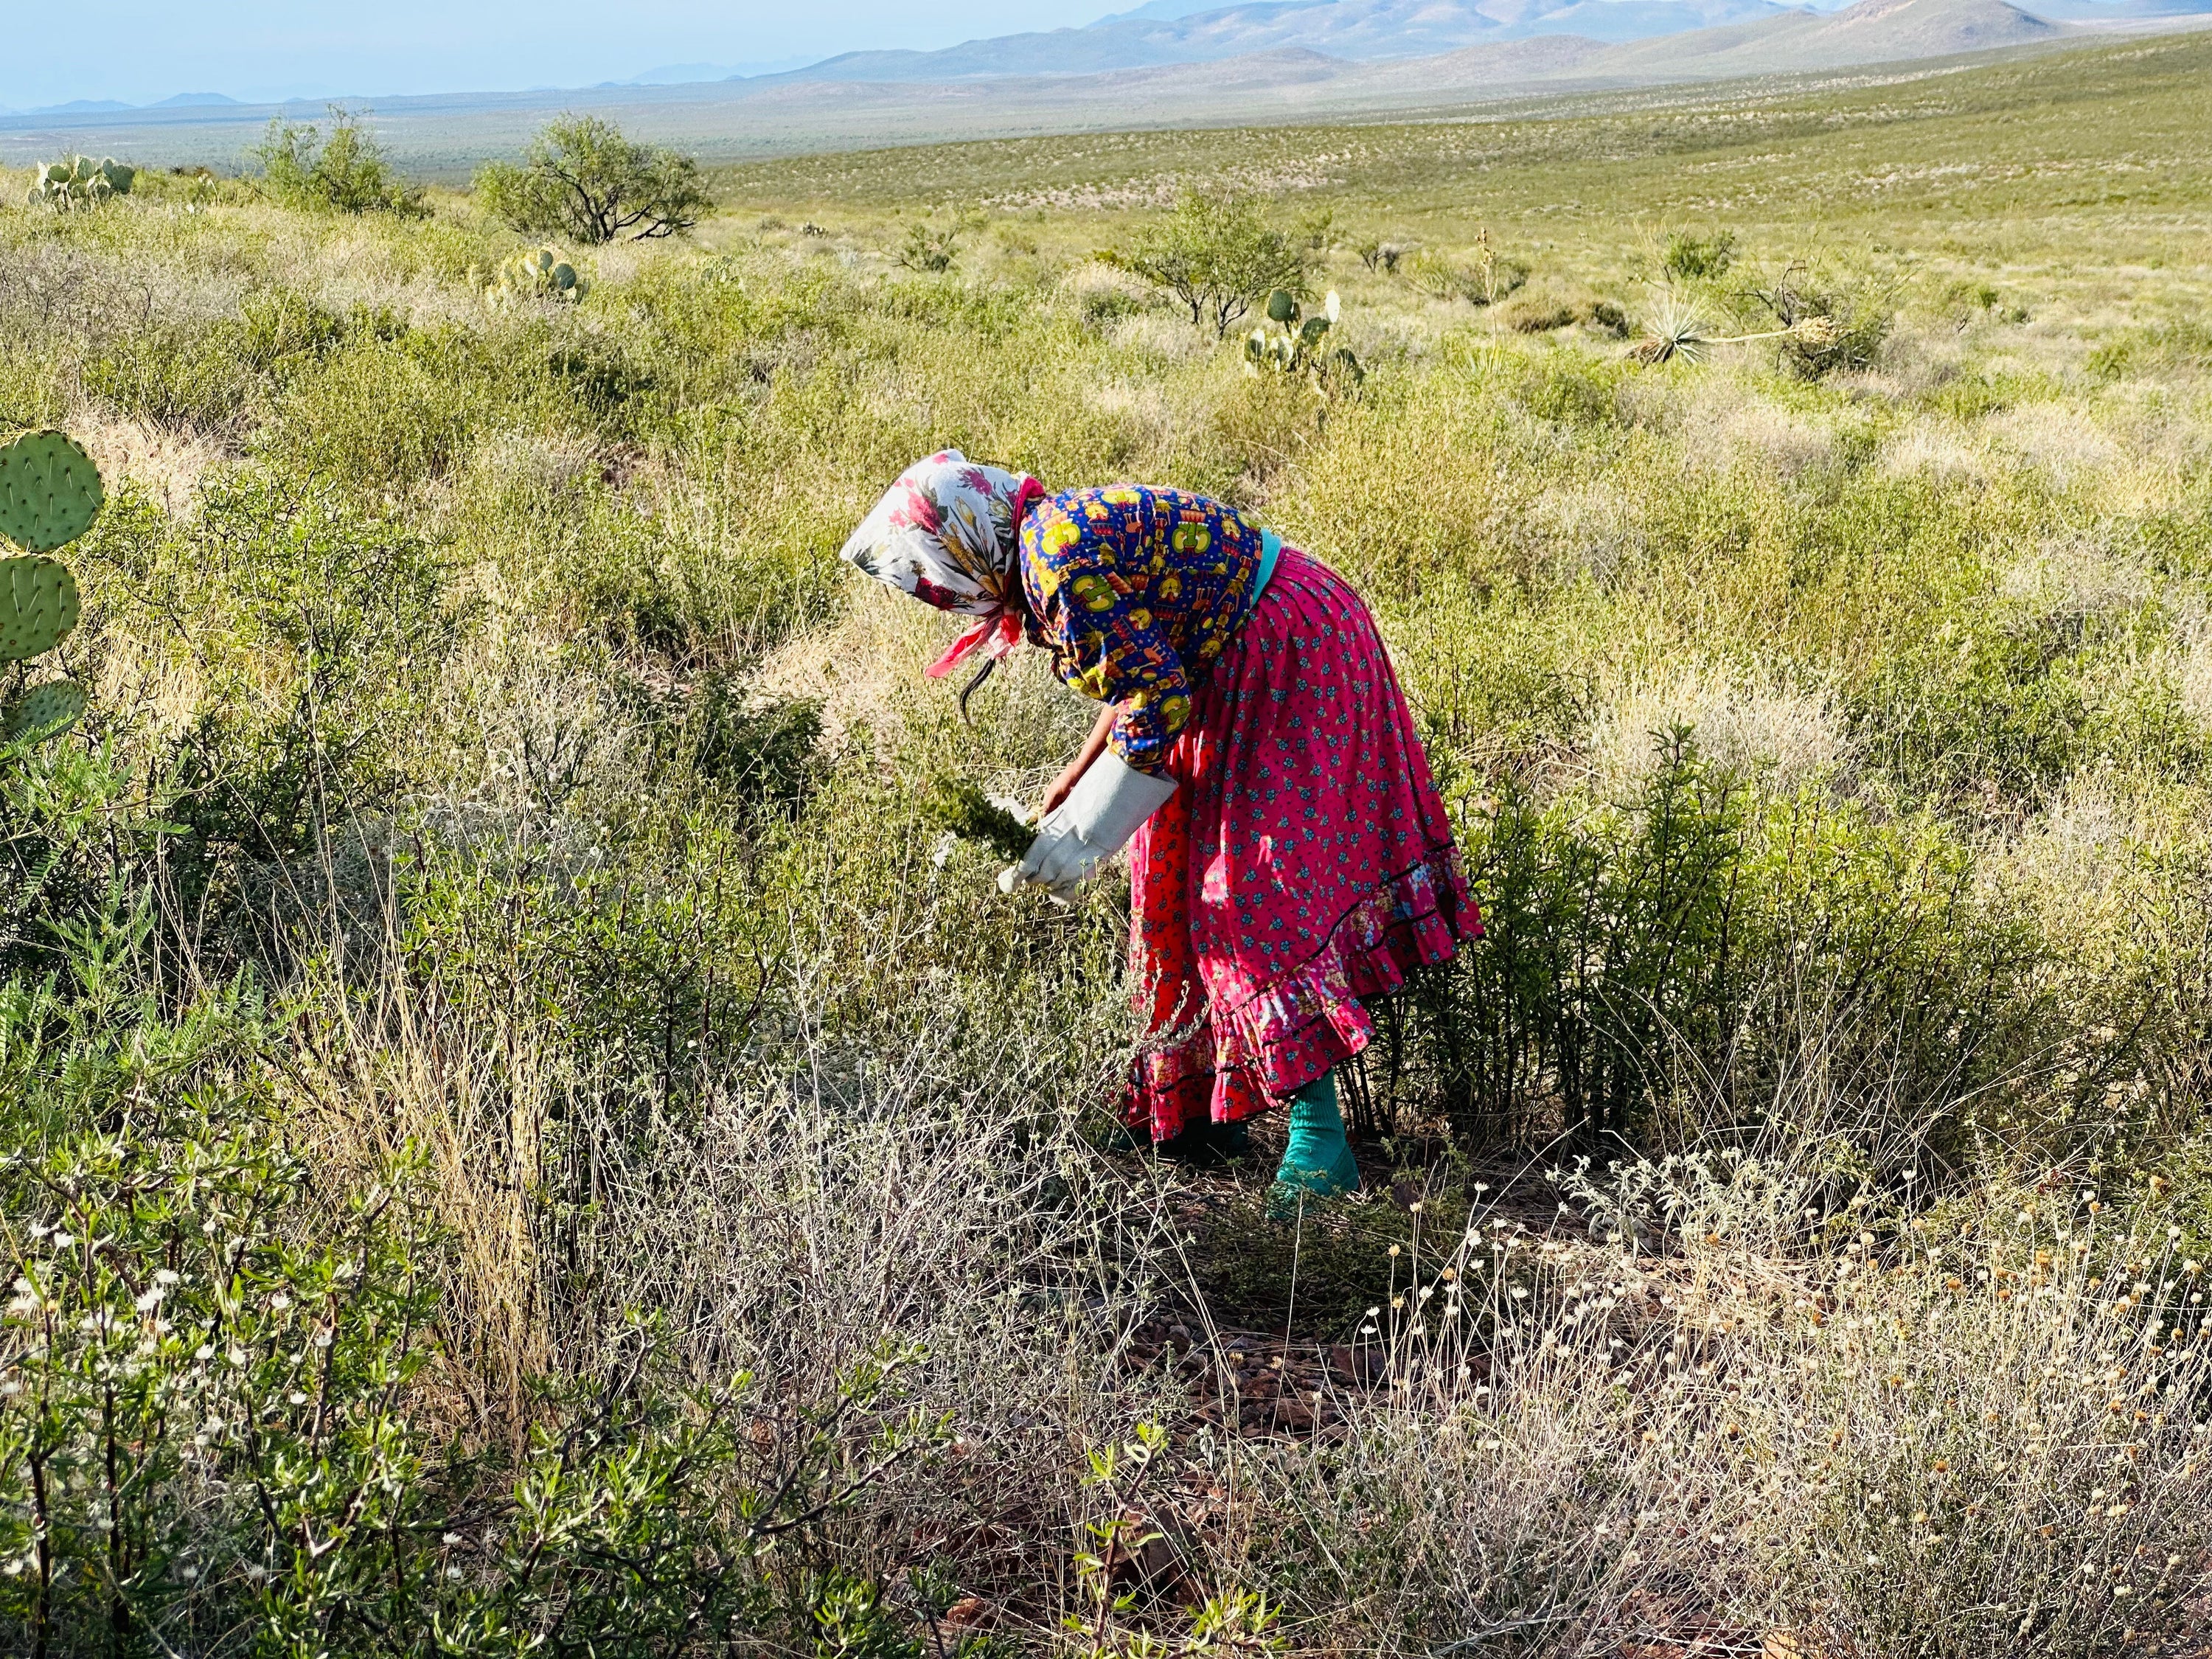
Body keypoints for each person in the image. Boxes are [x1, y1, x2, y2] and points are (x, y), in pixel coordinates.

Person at [841, 451, 1477, 1205]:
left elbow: (1157, 697)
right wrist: (1076, 783)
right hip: (1234, 653)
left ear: (965, 541)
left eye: (934, 572)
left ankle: (1319, 1148)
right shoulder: (1047, 543)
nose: (942, 593)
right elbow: (1145, 666)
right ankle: (1193, 1108)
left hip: (1286, 650)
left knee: (1249, 894)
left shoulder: (1055, 561)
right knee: (1170, 871)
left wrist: (1088, 834)